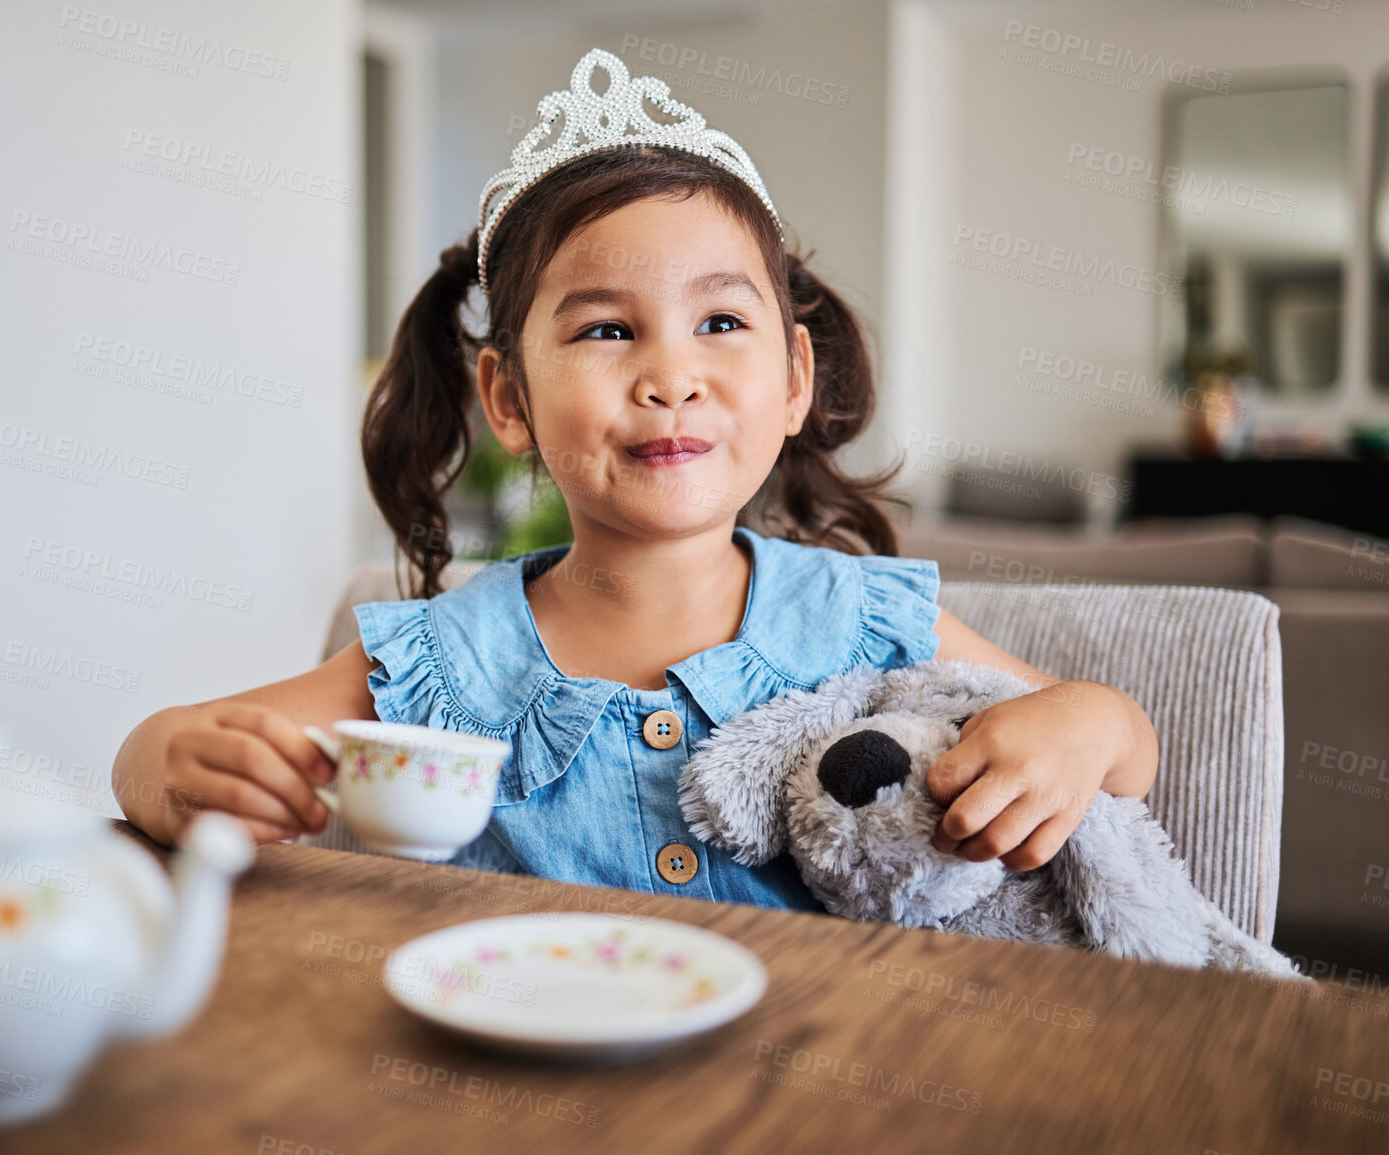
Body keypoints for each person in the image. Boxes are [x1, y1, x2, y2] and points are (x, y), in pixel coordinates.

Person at [112, 48, 1157, 909]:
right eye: (609, 330)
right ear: (510, 398)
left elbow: (1126, 750)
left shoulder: (859, 618)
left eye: (720, 323)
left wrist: (1086, 724)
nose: (671, 377)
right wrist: (173, 772)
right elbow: (155, 753)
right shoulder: (442, 660)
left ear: (794, 378)